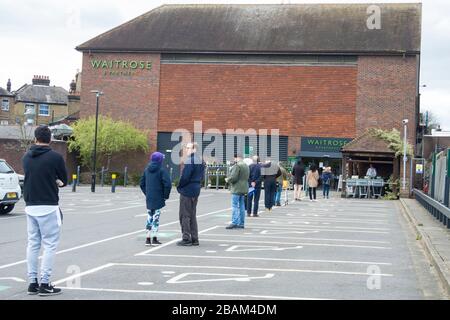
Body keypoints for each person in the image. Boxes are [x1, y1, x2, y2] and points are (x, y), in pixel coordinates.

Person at [22, 125, 68, 296]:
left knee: (33, 244)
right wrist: (55, 181)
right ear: (49, 139)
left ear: (35, 138)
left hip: (30, 204)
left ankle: (32, 282)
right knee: (49, 245)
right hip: (48, 204)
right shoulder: (55, 157)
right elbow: (64, 180)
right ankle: (45, 282)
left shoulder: (26, 156)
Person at [140, 152, 172, 246]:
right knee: (156, 218)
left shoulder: (146, 170)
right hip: (158, 196)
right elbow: (168, 184)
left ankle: (147, 238)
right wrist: (165, 195)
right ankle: (154, 238)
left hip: (150, 197)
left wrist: (147, 193)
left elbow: (141, 183)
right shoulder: (161, 170)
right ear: (160, 160)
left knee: (149, 217)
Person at [177, 142, 205, 246]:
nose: (187, 150)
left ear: (194, 149)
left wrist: (179, 186)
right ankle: (194, 238)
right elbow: (202, 176)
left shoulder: (190, 160)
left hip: (188, 189)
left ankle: (186, 238)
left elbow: (185, 176)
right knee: (192, 215)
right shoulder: (201, 161)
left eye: (188, 148)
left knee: (184, 215)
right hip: (196, 189)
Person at [225, 154, 250, 229]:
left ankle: (234, 222)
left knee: (235, 205)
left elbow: (234, 177)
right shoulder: (246, 166)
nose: (234, 160)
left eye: (235, 158)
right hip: (244, 187)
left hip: (237, 188)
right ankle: (241, 223)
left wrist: (227, 179)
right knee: (242, 206)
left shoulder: (237, 166)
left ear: (237, 158)